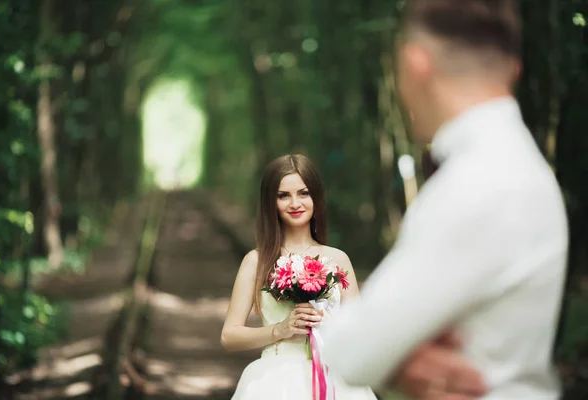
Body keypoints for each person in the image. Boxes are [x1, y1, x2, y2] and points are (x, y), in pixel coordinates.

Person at [321, 1, 569, 399]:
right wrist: (403, 361)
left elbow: (353, 352)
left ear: (415, 63)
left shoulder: (480, 180)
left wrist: (388, 355)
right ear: (514, 70)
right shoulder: (521, 167)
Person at [221, 154, 486, 399]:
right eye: (283, 196)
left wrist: (329, 323)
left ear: (316, 197)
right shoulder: (257, 261)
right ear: (271, 202)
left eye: (304, 193)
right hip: (275, 380)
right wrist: (279, 330)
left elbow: (360, 329)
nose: (295, 203)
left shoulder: (337, 259)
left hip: (335, 378)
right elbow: (229, 336)